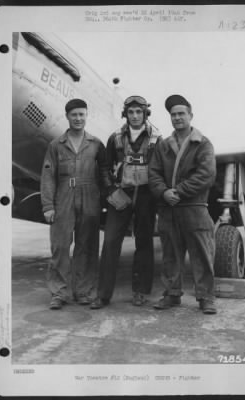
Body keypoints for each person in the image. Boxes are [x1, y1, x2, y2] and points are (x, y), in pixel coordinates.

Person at [90, 96, 161, 309]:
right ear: (126, 114)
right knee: (111, 242)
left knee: (144, 242)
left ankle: (140, 292)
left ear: (145, 114)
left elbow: (161, 170)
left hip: (146, 197)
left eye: (139, 112)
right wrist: (111, 191)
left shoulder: (157, 139)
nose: (135, 116)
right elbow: (104, 167)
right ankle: (103, 294)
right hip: (121, 195)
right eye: (131, 112)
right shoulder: (116, 138)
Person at [148, 95, 217, 314]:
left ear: (190, 116)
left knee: (202, 255)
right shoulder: (163, 145)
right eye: (173, 115)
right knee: (170, 254)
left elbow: (206, 174)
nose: (177, 118)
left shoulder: (203, 143)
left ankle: (206, 297)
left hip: (195, 208)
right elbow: (154, 173)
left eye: (181, 114)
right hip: (169, 209)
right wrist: (163, 192)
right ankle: (171, 294)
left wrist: (178, 191)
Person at [40, 98, 110, 310]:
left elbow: (105, 174)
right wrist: (48, 206)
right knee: (60, 245)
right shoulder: (56, 145)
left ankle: (84, 291)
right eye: (74, 115)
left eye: (82, 114)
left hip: (90, 195)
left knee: (87, 245)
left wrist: (106, 200)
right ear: (67, 116)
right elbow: (48, 176)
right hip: (64, 195)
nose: (78, 118)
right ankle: (59, 293)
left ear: (86, 115)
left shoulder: (96, 144)